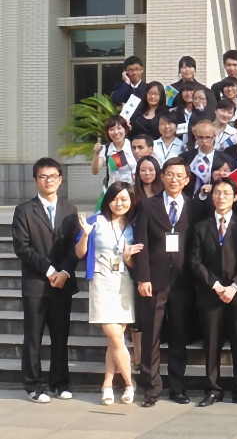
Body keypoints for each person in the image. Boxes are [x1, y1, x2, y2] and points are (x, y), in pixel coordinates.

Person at [12, 158, 80, 403]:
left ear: (60, 179)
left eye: (53, 176)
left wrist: (64, 272)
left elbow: (74, 248)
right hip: (36, 285)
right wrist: (50, 270)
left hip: (63, 284)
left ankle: (59, 383)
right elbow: (23, 248)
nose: (48, 181)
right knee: (34, 337)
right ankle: (33, 385)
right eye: (43, 177)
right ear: (35, 180)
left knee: (60, 336)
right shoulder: (23, 211)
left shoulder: (69, 210)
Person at [132, 157, 194, 407]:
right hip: (154, 280)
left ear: (187, 180)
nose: (174, 179)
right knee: (151, 336)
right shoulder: (148, 205)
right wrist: (143, 277)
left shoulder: (194, 207)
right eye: (169, 174)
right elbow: (141, 244)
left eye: (179, 175)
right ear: (162, 176)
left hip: (183, 281)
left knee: (179, 334)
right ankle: (151, 387)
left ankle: (178, 386)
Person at [187, 177, 237, 406]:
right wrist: (216, 286)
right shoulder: (200, 226)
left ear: (236, 197)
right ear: (211, 196)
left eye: (226, 193)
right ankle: (213, 388)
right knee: (212, 344)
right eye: (217, 193)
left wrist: (234, 286)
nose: (221, 197)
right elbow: (195, 262)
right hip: (210, 294)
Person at [75, 182, 142, 405]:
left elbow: (133, 264)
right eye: (115, 199)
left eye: (125, 199)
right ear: (108, 200)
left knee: (115, 340)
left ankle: (107, 384)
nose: (120, 203)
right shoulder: (95, 221)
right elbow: (80, 253)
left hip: (123, 284)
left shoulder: (134, 225)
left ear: (131, 201)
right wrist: (85, 235)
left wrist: (128, 257)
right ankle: (130, 384)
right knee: (114, 335)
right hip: (101, 281)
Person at [92, 116, 136, 184]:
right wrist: (96, 153)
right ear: (108, 133)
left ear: (125, 130)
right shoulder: (105, 149)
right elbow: (95, 171)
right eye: (111, 129)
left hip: (133, 191)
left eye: (119, 128)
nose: (116, 132)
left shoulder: (134, 146)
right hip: (114, 191)